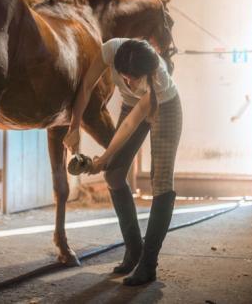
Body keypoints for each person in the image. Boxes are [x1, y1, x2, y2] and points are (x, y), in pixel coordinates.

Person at [63, 38, 182, 286]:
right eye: (124, 77)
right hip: (131, 105)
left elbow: (132, 123)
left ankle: (148, 264)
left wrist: (103, 158)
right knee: (114, 175)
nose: (127, 82)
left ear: (147, 73)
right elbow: (86, 87)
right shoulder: (111, 50)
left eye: (133, 78)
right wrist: (74, 127)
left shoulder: (157, 76)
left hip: (166, 107)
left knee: (160, 182)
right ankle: (134, 249)